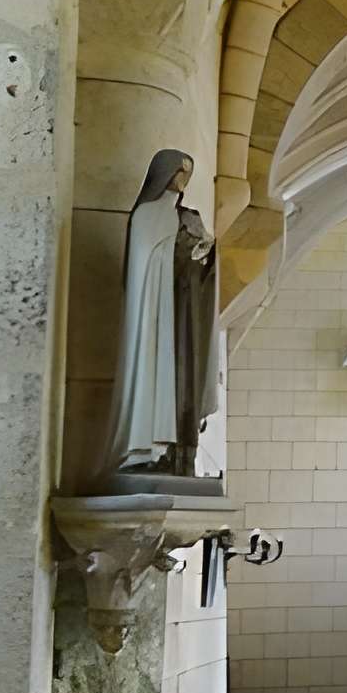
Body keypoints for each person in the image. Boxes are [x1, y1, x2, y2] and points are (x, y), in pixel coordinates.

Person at [99, 149, 219, 483]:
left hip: (180, 314)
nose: (184, 179)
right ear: (164, 173)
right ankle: (143, 451)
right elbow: (144, 270)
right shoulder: (144, 217)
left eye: (189, 173)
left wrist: (206, 252)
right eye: (181, 171)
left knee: (181, 379)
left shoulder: (189, 216)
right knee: (151, 377)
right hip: (153, 317)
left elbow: (195, 265)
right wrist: (182, 246)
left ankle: (176, 455)